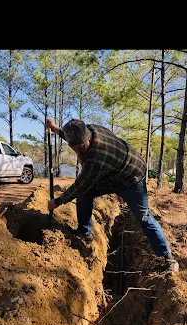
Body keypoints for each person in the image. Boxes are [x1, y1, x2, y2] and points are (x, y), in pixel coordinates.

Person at [46, 117, 179, 272]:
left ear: (83, 143)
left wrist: (58, 201)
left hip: (132, 177)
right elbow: (70, 136)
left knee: (144, 217)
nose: (78, 150)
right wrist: (54, 127)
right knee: (85, 194)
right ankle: (84, 232)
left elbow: (80, 185)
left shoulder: (96, 158)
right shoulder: (87, 130)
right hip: (111, 173)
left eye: (79, 148)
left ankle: (167, 257)